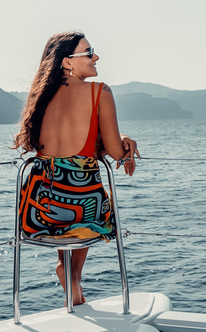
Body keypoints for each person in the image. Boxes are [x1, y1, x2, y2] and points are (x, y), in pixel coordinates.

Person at [12, 31, 139, 306]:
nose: (96, 57)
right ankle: (74, 276)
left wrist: (94, 148)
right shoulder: (100, 91)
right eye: (88, 52)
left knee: (64, 191)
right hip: (81, 203)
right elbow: (116, 153)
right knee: (86, 199)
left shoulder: (41, 97)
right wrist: (125, 145)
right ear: (67, 62)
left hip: (38, 210)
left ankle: (70, 277)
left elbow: (54, 149)